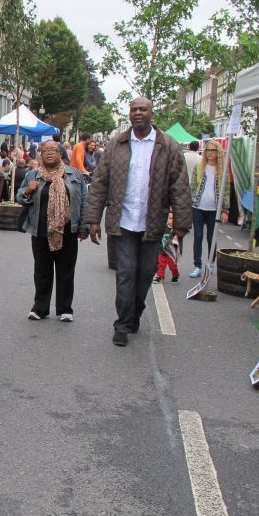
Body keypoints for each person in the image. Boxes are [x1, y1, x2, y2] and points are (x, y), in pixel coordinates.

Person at [83, 97, 191, 347]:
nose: (138, 113)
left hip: (152, 223)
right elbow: (99, 182)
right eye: (134, 110)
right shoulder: (116, 144)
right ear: (129, 114)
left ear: (152, 113)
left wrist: (181, 224)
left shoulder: (168, 145)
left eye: (143, 109)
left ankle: (135, 313)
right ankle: (122, 324)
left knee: (145, 273)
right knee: (125, 273)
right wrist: (93, 218)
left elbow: (180, 186)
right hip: (123, 222)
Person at [17, 141, 88, 322]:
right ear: (40, 154)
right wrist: (27, 191)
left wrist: (83, 226)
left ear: (60, 154)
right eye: (45, 150)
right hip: (40, 230)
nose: (49, 153)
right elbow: (19, 196)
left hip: (67, 230)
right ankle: (40, 308)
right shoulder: (32, 174)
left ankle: (65, 309)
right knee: (42, 271)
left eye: (53, 150)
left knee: (66, 271)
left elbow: (84, 200)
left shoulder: (74, 174)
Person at [189, 140, 225, 278]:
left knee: (211, 237)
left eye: (212, 150)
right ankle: (197, 266)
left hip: (214, 208)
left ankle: (210, 264)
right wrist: (191, 202)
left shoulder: (222, 169)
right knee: (198, 236)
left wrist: (225, 210)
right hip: (198, 207)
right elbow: (193, 186)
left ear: (218, 152)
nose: (210, 153)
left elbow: (226, 190)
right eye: (207, 150)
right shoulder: (199, 166)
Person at [154, 216, 180, 283]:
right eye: (170, 218)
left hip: (171, 252)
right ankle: (160, 276)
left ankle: (175, 274)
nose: (172, 220)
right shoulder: (162, 228)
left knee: (173, 266)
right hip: (162, 250)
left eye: (173, 218)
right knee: (161, 264)